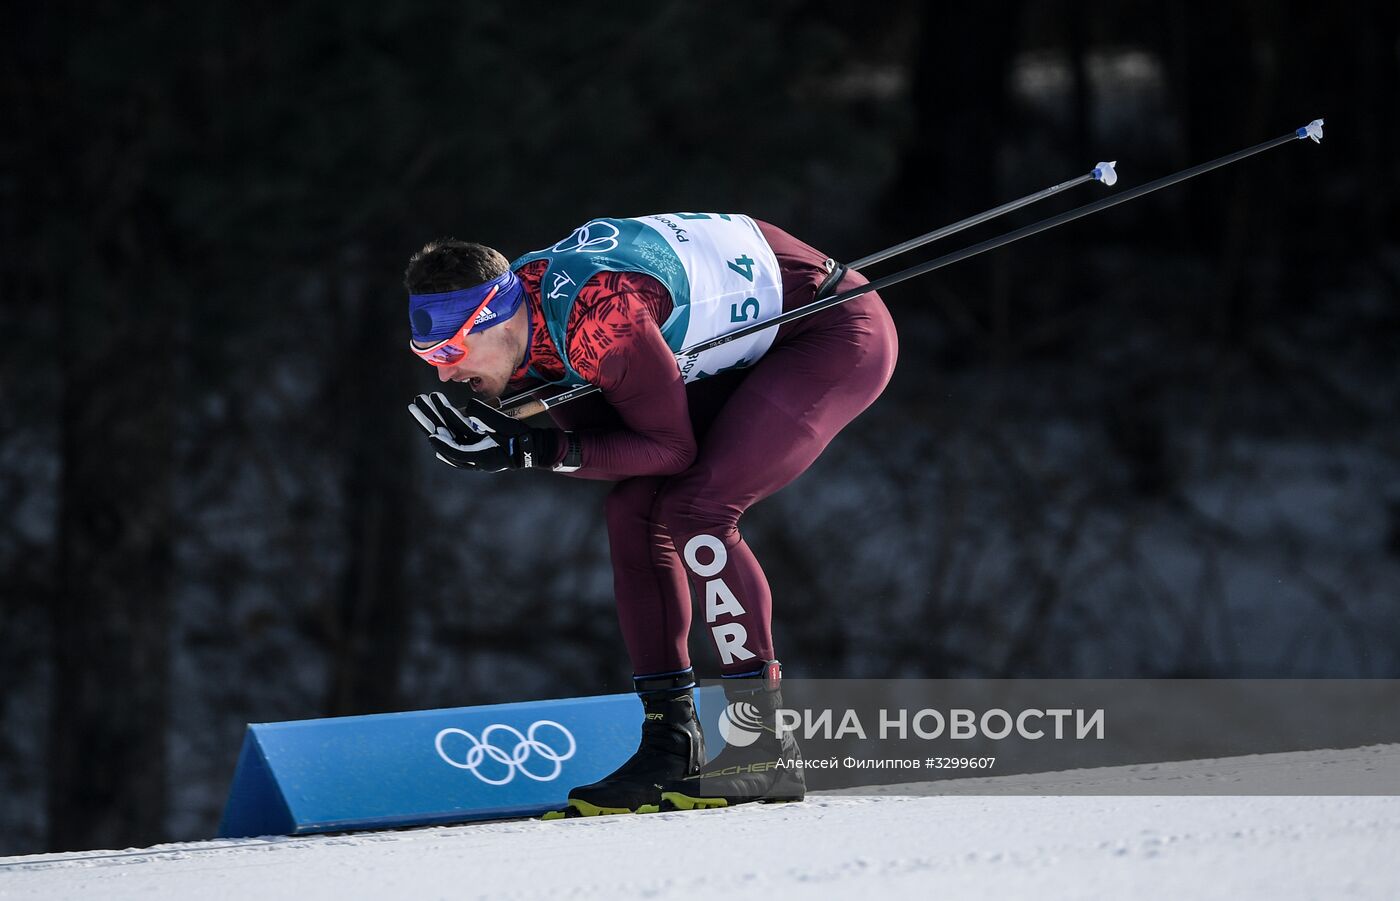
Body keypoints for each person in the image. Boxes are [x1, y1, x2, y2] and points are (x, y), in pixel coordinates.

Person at [405, 212, 897, 816]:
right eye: (426, 352)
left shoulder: (595, 318)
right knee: (634, 511)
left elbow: (670, 449)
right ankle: (671, 743)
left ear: (497, 315)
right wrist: (518, 445)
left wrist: (528, 449)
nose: (444, 370)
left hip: (828, 329)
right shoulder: (527, 337)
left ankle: (762, 744)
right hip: (745, 342)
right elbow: (618, 455)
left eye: (451, 348)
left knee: (698, 509)